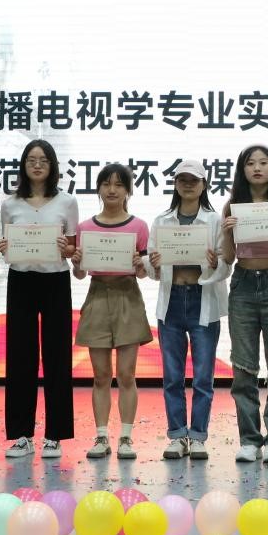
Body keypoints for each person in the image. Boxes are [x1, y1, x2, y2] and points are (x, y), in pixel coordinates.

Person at [0, 139, 78, 460]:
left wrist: (66, 249)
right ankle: (21, 434)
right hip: (21, 280)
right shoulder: (10, 204)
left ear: (53, 165)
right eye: (31, 159)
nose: (37, 164)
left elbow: (72, 248)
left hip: (55, 280)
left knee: (58, 357)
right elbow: (6, 245)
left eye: (43, 159)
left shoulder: (67, 202)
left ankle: (55, 435)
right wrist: (5, 248)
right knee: (20, 356)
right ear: (23, 165)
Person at [220, 145, 268, 465]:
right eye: (250, 163)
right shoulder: (232, 206)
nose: (257, 168)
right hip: (242, 285)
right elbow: (228, 258)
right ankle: (249, 439)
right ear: (242, 170)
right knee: (243, 367)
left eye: (263, 162)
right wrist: (227, 232)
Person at [146, 160, 228, 460]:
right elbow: (152, 267)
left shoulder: (214, 220)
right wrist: (153, 264)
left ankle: (199, 436)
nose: (188, 185)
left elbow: (226, 265)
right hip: (171, 302)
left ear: (204, 184)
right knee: (172, 376)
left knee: (203, 376)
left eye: (194, 180)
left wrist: (215, 263)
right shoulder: (161, 220)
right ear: (175, 184)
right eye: (182, 180)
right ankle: (178, 435)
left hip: (202, 300)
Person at [72, 163, 151, 460]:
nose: (112, 190)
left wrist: (141, 264)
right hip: (97, 295)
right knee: (101, 375)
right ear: (99, 189)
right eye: (106, 184)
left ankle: (126, 438)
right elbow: (80, 274)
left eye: (119, 184)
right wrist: (77, 262)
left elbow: (143, 273)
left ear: (128, 190)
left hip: (128, 296)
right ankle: (101, 436)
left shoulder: (139, 226)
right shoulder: (85, 227)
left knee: (127, 374)